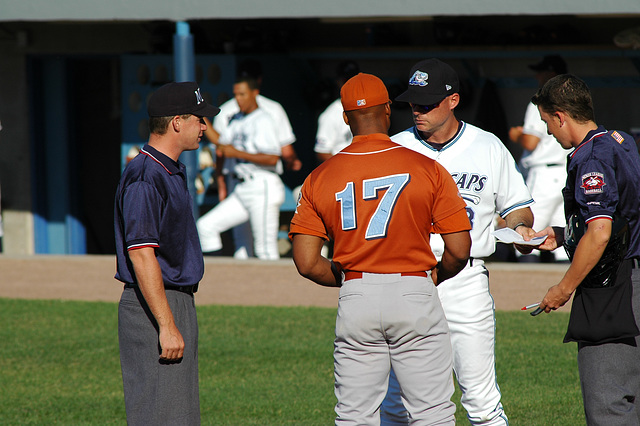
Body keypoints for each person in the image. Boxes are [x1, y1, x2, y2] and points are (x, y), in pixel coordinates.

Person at [290, 72, 472, 424]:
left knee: (355, 417)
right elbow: (460, 249)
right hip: (414, 289)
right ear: (389, 109)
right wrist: (437, 274)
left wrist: (348, 279)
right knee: (432, 415)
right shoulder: (428, 168)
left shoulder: (320, 177)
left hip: (356, 293)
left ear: (345, 118)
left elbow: (307, 262)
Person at [381, 58, 535, 426]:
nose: (416, 109)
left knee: (481, 401)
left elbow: (516, 207)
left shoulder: (487, 146)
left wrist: (521, 229)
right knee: (395, 402)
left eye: (426, 102)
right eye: (413, 102)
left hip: (465, 281)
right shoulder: (394, 148)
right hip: (406, 278)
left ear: (452, 101)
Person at [528, 74, 640, 424]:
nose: (548, 132)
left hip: (614, 289)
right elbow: (623, 215)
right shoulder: (621, 140)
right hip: (634, 274)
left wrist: (562, 289)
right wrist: (564, 235)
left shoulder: (590, 157)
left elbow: (601, 233)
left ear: (561, 116)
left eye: (548, 122)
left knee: (609, 403)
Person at [114, 81, 219, 425]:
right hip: (154, 305)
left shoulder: (168, 169)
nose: (205, 127)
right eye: (199, 119)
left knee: (180, 415)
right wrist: (167, 324)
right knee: (160, 415)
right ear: (177, 121)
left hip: (173, 301)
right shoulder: (146, 176)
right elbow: (141, 253)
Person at [203, 59, 300, 259]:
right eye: (236, 94)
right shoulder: (237, 119)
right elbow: (222, 144)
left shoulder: (264, 118)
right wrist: (200, 114)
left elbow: (273, 158)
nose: (238, 99)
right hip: (241, 188)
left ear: (255, 93)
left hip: (262, 185)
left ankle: (278, 290)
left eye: (242, 94)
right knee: (205, 227)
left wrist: (237, 153)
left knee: (265, 249)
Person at [509, 55, 569, 262]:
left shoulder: (542, 101)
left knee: (527, 238)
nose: (537, 76)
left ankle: (525, 289)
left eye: (541, 72)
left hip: (544, 176)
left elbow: (531, 143)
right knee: (563, 240)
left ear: (551, 75)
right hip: (566, 173)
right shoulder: (573, 101)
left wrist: (517, 135)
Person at [314, 60, 360, 162]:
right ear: (338, 82)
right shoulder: (331, 114)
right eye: (346, 80)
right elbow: (322, 153)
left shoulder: (370, 107)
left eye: (354, 80)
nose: (350, 84)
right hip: (346, 171)